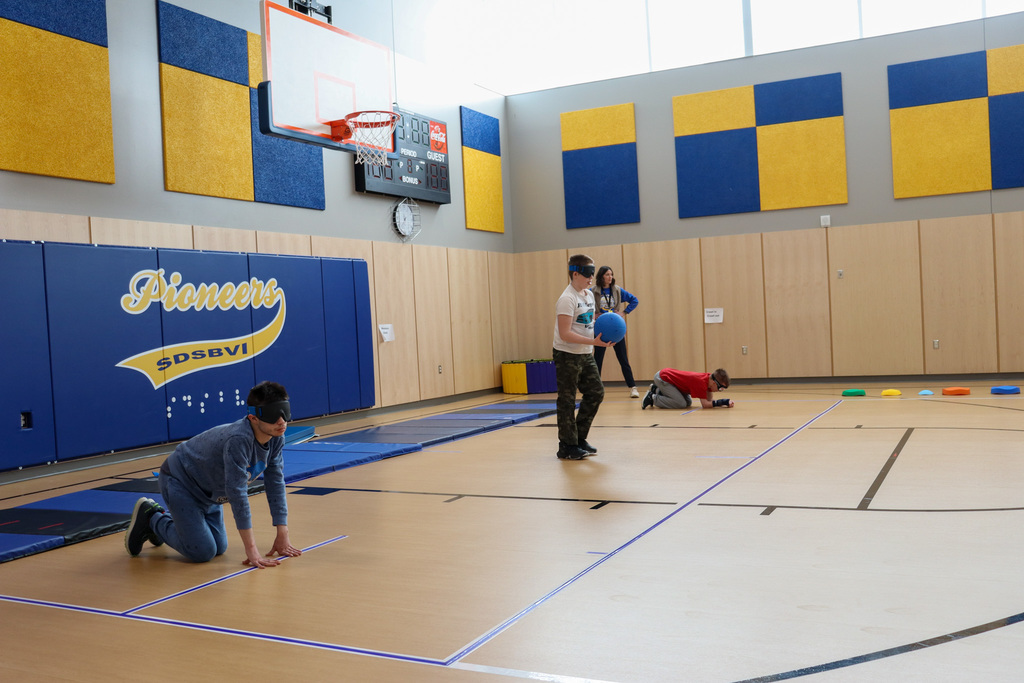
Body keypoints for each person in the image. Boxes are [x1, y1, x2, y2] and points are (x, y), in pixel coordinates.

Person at [125, 381, 303, 568]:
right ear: (253, 417)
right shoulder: (239, 440)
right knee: (202, 552)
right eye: (274, 414)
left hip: (210, 494)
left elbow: (275, 482)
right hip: (180, 482)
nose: (282, 421)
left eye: (285, 412)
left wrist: (283, 534)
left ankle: (177, 524)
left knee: (219, 548)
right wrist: (252, 550)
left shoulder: (276, 438)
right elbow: (237, 493)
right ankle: (152, 517)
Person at [553, 254, 615, 460]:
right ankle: (567, 446)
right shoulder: (567, 299)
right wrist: (594, 343)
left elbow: (588, 323)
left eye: (593, 272)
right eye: (587, 273)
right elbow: (565, 334)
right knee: (567, 400)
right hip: (567, 355)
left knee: (596, 393)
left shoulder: (588, 295)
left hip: (585, 353)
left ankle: (578, 438)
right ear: (575, 273)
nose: (591, 277)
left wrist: (607, 328)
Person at [590, 266, 640, 398]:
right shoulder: (593, 291)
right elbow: (585, 307)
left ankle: (632, 387)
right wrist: (593, 315)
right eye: (607, 274)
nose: (610, 277)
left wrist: (624, 312)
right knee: (597, 360)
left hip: (616, 330)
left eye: (611, 274)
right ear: (601, 276)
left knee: (623, 359)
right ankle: (596, 389)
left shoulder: (617, 290)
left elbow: (634, 300)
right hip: (601, 330)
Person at [642, 368, 734, 410]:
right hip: (663, 378)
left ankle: (657, 390)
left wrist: (725, 402)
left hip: (670, 381)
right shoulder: (701, 382)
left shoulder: (709, 382)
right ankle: (652, 398)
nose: (719, 391)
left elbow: (710, 400)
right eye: (720, 388)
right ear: (714, 383)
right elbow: (705, 405)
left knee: (688, 403)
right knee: (680, 404)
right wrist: (723, 402)